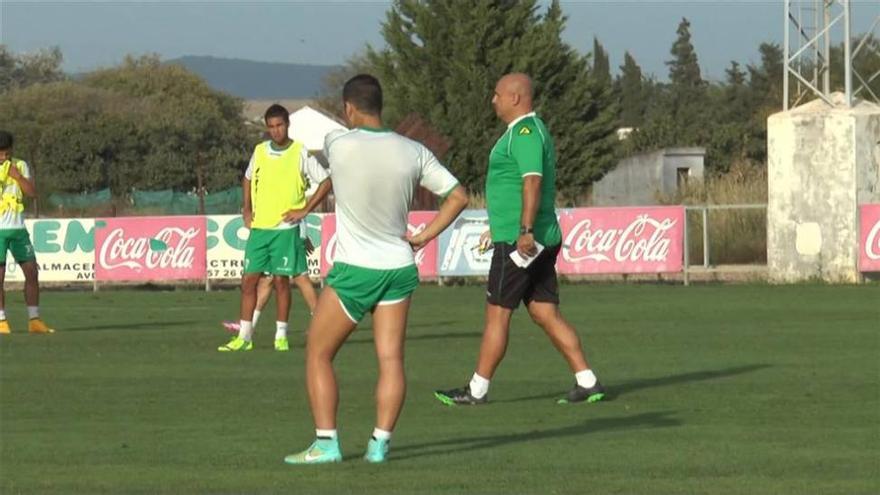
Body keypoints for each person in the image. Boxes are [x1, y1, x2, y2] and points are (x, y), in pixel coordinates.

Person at [283, 74, 468, 465]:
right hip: (399, 267)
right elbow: (458, 196)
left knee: (317, 352)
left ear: (349, 108)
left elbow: (326, 164)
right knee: (390, 359)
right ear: (380, 104)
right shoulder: (413, 151)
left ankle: (326, 443)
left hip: (356, 270)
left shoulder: (338, 143)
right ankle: (379, 444)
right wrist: (425, 236)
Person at [434, 73, 605, 406]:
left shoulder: (525, 133)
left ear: (515, 98)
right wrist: (500, 227)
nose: (492, 100)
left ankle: (476, 390)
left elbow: (531, 183)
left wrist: (523, 231)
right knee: (545, 313)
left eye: (497, 94)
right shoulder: (527, 132)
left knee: (497, 314)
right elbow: (515, 188)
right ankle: (588, 381)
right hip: (529, 236)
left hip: (523, 241)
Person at [218, 104, 331, 352]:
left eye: (279, 125)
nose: (276, 131)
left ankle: (281, 335)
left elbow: (325, 181)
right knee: (249, 282)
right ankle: (244, 338)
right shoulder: (259, 151)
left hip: (285, 228)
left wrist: (305, 210)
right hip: (260, 228)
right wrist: (246, 209)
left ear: (287, 124)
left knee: (282, 281)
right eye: (271, 127)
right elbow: (247, 178)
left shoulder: (300, 151)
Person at [0, 131, 54, 335]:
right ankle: (2, 321)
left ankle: (34, 320)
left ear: (11, 150)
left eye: (6, 153)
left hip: (18, 230)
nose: (3, 157)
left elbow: (32, 193)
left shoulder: (20, 165)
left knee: (32, 272)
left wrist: (18, 177)